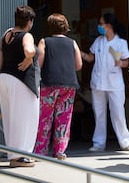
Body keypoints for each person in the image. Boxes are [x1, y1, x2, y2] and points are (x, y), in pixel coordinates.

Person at [80, 13, 129, 152]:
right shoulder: (98, 41)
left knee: (117, 112)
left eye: (101, 24)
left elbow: (126, 62)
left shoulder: (120, 43)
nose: (99, 26)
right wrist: (77, 51)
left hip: (114, 82)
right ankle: (98, 143)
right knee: (99, 113)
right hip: (98, 82)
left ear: (108, 26)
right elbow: (90, 58)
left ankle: (125, 142)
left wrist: (120, 62)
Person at [34, 13, 83, 160]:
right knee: (64, 117)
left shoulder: (44, 41)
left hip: (49, 83)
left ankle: (40, 150)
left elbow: (38, 63)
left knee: (45, 117)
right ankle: (60, 150)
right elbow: (79, 65)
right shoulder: (72, 42)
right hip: (68, 84)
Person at [0, 5, 39, 167]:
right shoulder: (26, 35)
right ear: (29, 21)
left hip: (5, 77)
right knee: (27, 117)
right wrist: (30, 56)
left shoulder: (7, 34)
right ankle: (22, 156)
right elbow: (29, 51)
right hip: (21, 80)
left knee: (11, 118)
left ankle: (13, 155)